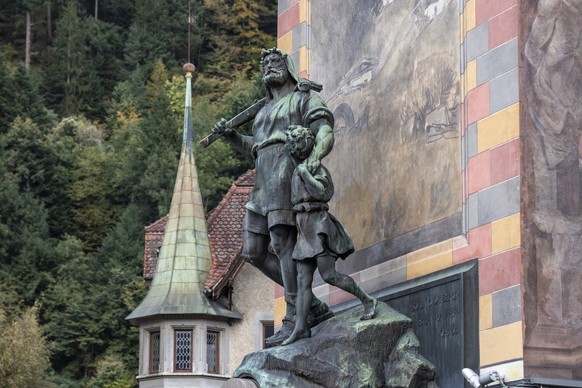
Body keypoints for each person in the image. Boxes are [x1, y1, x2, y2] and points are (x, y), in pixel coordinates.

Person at [213, 48, 334, 346]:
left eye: (275, 62)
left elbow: (324, 131)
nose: (269, 67)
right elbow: (254, 147)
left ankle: (295, 314)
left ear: (288, 67)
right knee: (252, 251)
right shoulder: (264, 110)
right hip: (261, 181)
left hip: (285, 171)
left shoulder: (303, 97)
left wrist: (315, 158)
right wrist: (231, 135)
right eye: (265, 64)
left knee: (282, 244)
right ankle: (312, 306)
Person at [282, 125, 377, 346]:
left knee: (328, 275)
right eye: (291, 144)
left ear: (306, 143)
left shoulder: (315, 168)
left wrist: (306, 174)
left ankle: (367, 299)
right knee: (302, 281)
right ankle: (300, 328)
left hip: (319, 226)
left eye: (296, 143)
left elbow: (324, 193)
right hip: (304, 230)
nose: (293, 147)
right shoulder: (297, 170)